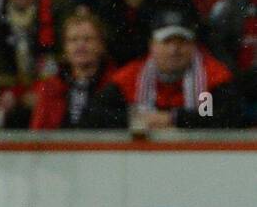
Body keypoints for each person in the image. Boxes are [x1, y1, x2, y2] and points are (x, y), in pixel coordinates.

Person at [85, 9, 242, 129]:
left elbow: (226, 118)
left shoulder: (211, 78)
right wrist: (135, 119)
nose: (174, 49)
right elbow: (94, 115)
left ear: (194, 45)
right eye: (166, 42)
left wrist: (172, 119)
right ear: (152, 45)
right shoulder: (131, 78)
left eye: (182, 41)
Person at [29, 9, 114, 129]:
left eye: (88, 39)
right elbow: (38, 135)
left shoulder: (115, 85)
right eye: (73, 40)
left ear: (101, 45)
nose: (80, 46)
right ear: (65, 48)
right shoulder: (50, 87)